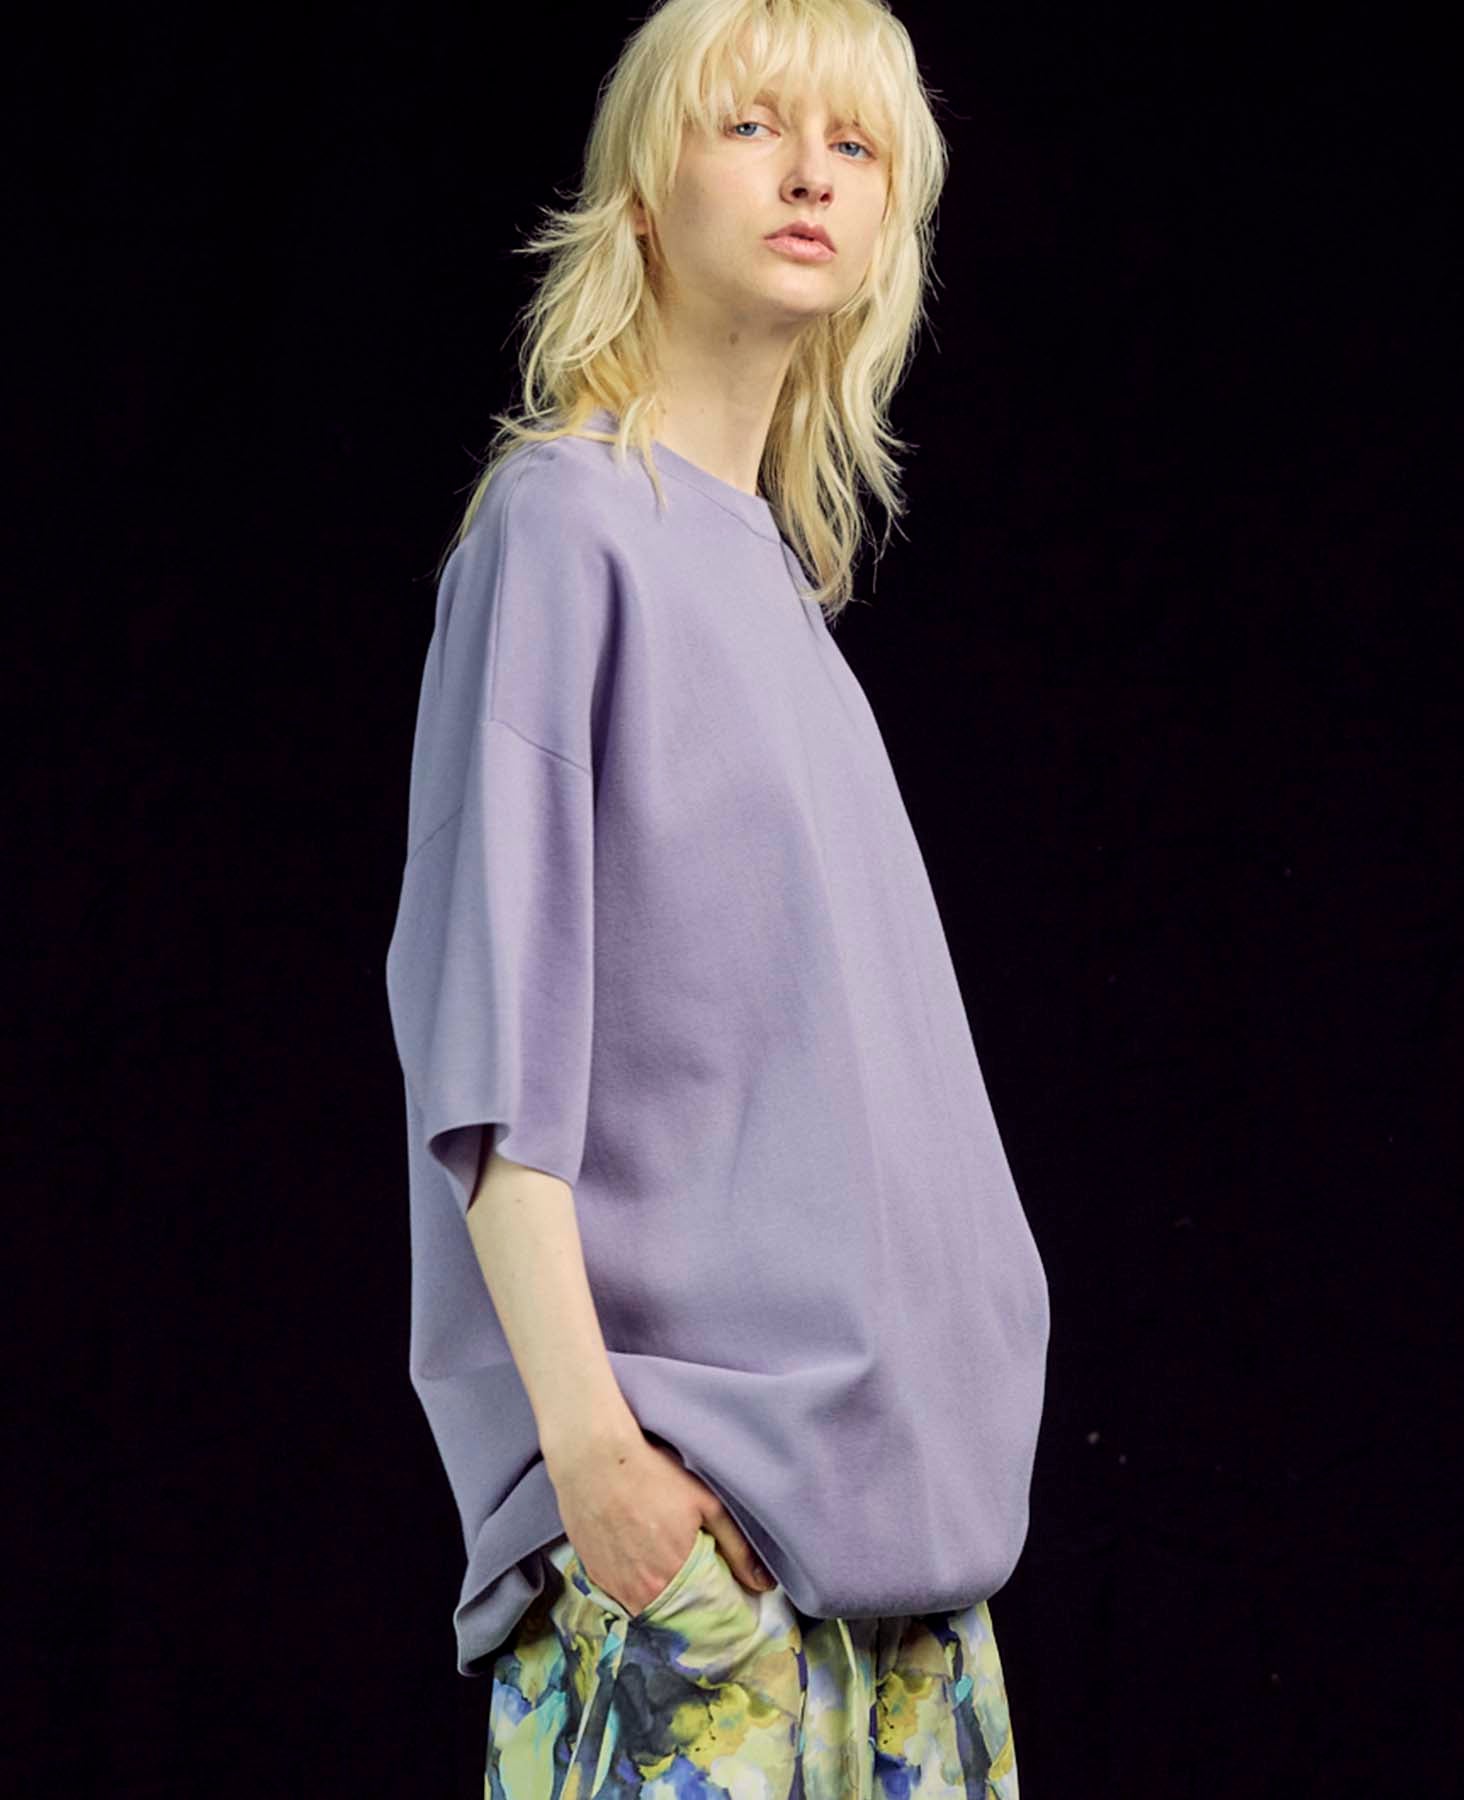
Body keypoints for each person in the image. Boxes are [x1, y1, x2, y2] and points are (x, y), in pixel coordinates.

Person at [383, 1, 1051, 1792]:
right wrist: (596, 1463)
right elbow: (488, 1057)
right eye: (752, 125)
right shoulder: (562, 528)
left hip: (915, 1580)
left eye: (854, 143)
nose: (810, 172)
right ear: (642, 195)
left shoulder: (776, 586)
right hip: (699, 1562)